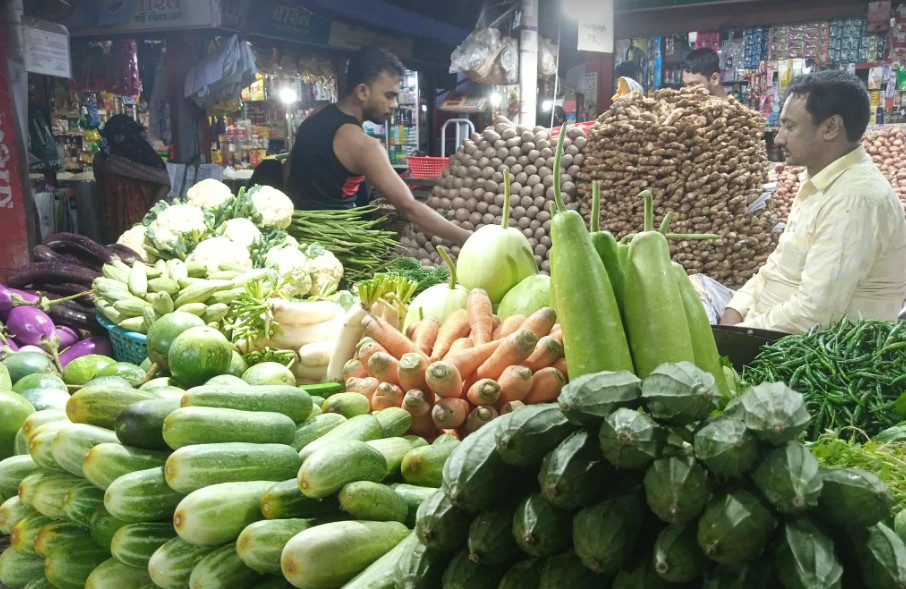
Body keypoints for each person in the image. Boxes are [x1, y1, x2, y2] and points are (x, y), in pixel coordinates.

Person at [721, 70, 906, 333]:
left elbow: (814, 314)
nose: (779, 138)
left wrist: (738, 333)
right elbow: (776, 266)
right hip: (760, 326)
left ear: (831, 127)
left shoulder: (855, 200)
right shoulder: (819, 181)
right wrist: (735, 309)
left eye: (790, 126)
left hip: (808, 354)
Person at [285, 46, 470, 245]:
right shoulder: (363, 145)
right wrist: (469, 238)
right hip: (336, 246)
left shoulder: (315, 117)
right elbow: (409, 208)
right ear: (363, 91)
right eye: (389, 95)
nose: (395, 104)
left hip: (297, 240)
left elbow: (288, 172)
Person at [94, 115, 171, 242]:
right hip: (129, 220)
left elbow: (165, 183)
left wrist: (150, 215)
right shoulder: (147, 156)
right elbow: (166, 183)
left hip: (122, 222)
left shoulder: (104, 159)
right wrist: (151, 214)